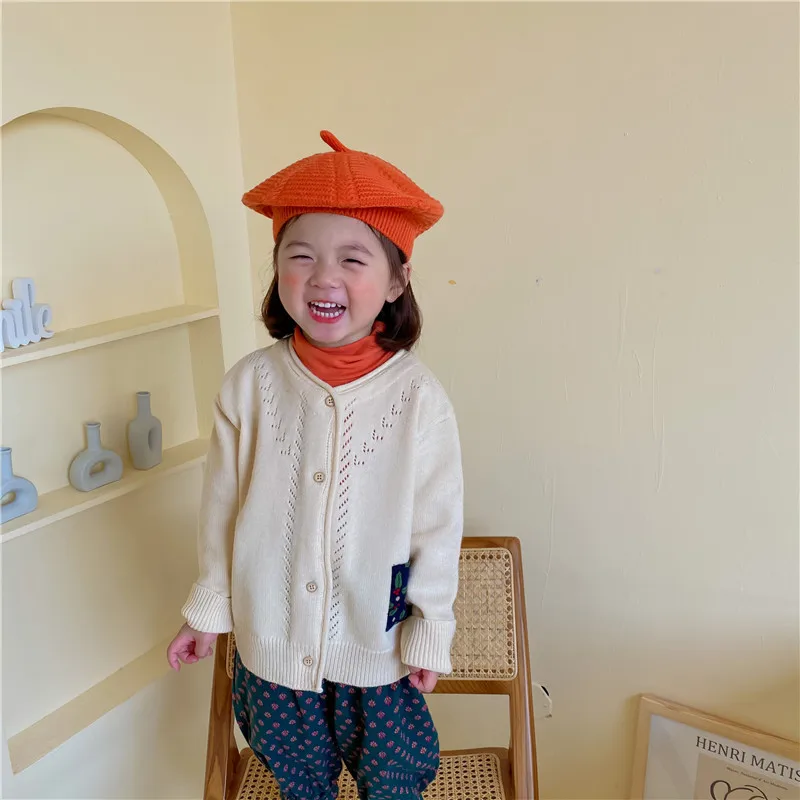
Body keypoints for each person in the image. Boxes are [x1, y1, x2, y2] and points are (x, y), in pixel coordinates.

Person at [167, 130, 464, 800]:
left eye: (352, 259)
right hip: (271, 650)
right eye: (300, 256)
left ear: (396, 280)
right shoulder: (250, 385)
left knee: (395, 781)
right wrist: (207, 610)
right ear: (279, 271)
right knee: (297, 783)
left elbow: (437, 529)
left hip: (377, 651)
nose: (324, 277)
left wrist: (429, 629)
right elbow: (220, 509)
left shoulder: (419, 399)